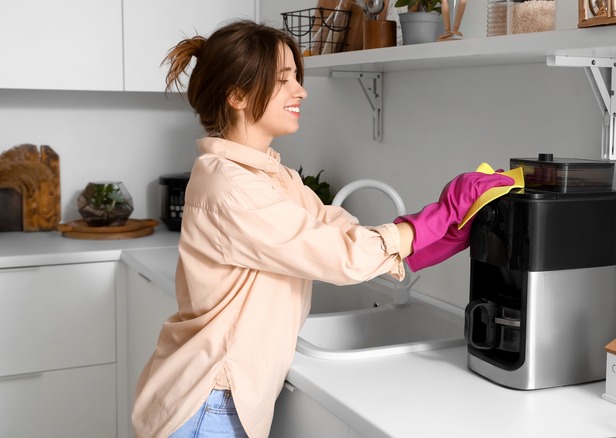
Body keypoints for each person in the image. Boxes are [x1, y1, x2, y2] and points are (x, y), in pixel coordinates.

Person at [131, 20, 513, 438]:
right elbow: (340, 257)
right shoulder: (231, 185)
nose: (300, 90)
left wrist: (448, 231)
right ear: (237, 95)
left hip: (222, 398)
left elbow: (338, 232)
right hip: (209, 403)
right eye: (283, 79)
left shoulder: (273, 177)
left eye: (297, 77)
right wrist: (439, 214)